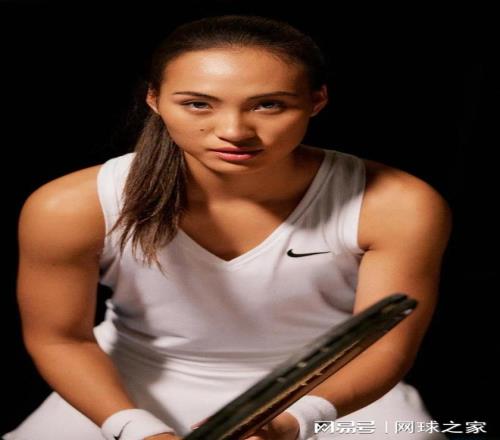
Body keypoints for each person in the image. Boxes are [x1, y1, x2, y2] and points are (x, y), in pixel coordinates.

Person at [3, 14, 452, 440]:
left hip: (331, 386)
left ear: (317, 101)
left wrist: (294, 421)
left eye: (269, 105)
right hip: (126, 380)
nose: (234, 131)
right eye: (198, 104)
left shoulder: (397, 204)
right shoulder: (70, 206)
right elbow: (60, 339)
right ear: (154, 99)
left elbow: (385, 346)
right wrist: (137, 429)